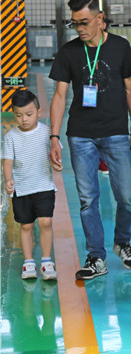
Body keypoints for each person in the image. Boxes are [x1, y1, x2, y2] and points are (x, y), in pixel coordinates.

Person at [49, 0, 131, 281]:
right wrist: (54, 137)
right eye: (75, 23)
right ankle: (96, 257)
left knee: (126, 196)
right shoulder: (68, 52)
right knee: (88, 199)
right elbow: (59, 95)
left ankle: (122, 242)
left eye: (85, 22)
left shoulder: (120, 47)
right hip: (81, 135)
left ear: (100, 19)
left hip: (116, 131)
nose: (79, 28)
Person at [3, 89, 62, 281]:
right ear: (13, 114)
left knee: (45, 222)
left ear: (39, 111)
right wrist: (8, 179)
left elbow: (54, 155)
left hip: (44, 186)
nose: (24, 119)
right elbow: (7, 161)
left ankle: (46, 261)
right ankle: (28, 262)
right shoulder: (11, 136)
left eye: (29, 114)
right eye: (19, 115)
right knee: (26, 226)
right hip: (21, 189)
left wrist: (56, 164)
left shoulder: (47, 133)